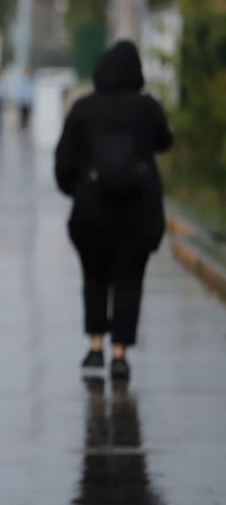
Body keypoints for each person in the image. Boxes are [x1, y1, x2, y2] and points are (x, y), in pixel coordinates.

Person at [54, 40, 173, 381]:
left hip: (91, 212)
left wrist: (74, 189)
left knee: (94, 278)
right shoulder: (148, 108)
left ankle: (95, 346)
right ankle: (120, 353)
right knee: (129, 280)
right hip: (140, 213)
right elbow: (166, 142)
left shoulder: (83, 109)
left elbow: (64, 162)